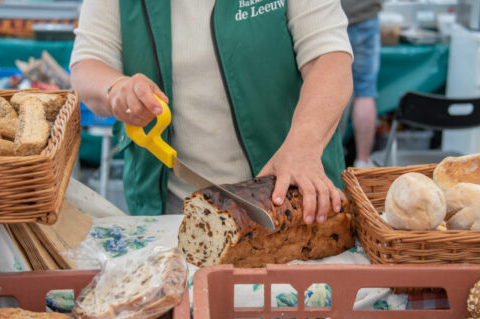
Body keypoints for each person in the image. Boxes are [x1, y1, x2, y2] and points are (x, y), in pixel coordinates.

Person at [70, 0, 353, 225]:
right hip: (177, 219)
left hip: (295, 205)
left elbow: (328, 60)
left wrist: (302, 147)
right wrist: (117, 89)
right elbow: (87, 65)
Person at [341, 0, 382, 168]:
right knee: (365, 92)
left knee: (331, 89)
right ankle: (363, 161)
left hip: (328, 19)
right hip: (364, 15)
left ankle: (330, 160)